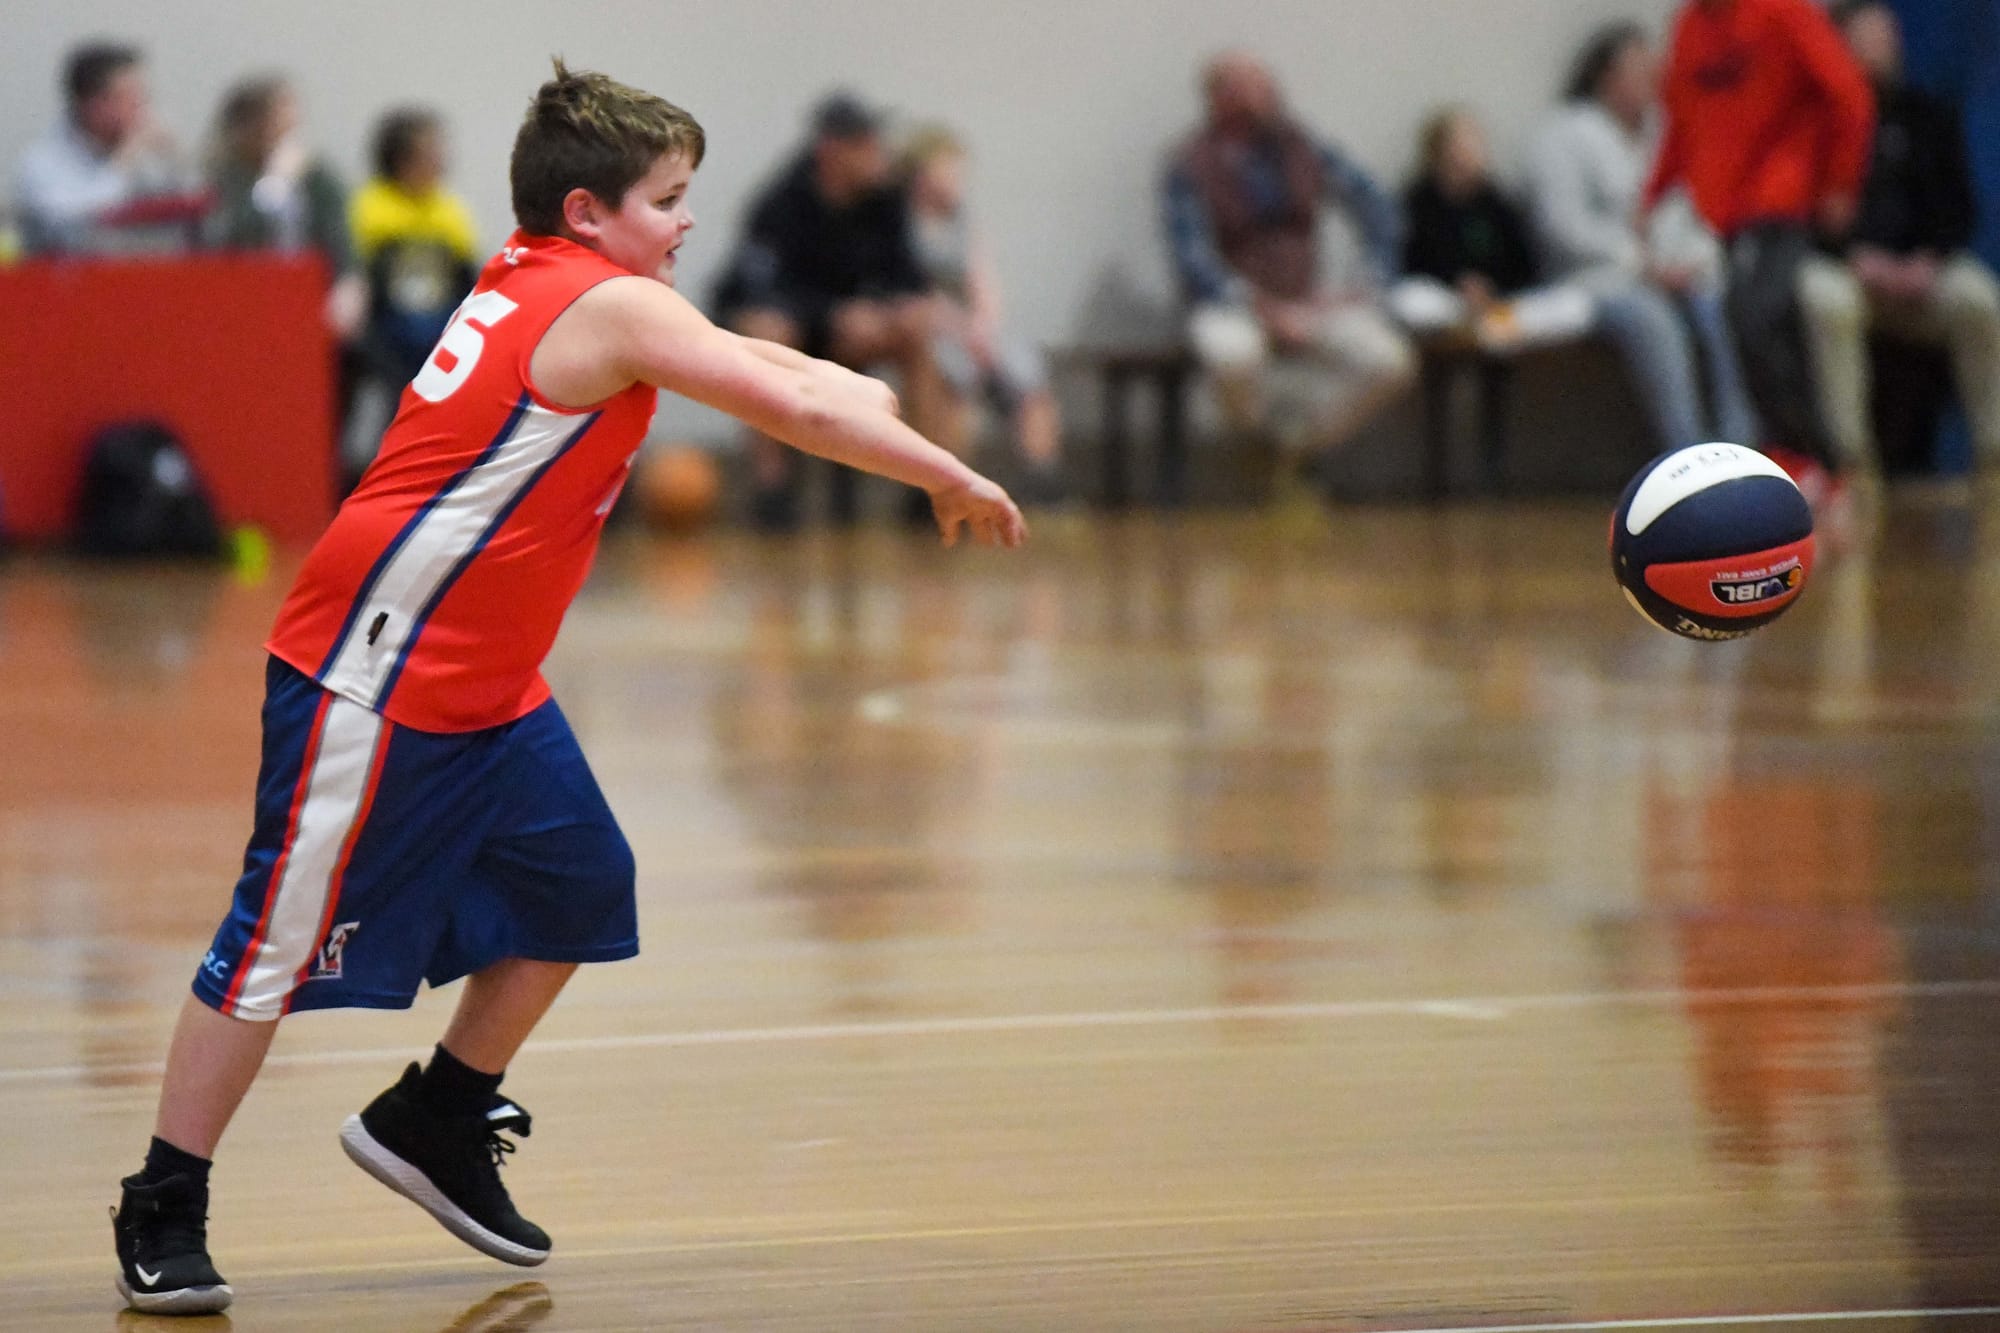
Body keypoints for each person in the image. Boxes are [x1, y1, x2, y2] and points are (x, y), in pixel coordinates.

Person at [107, 61, 1025, 1317]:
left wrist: (851, 392)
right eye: (667, 198)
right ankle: (163, 1200)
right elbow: (796, 395)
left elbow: (795, 377)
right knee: (266, 948)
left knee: (579, 887)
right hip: (372, 671)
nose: (688, 220)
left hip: (485, 681)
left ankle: (433, 1116)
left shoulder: (547, 276)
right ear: (589, 211)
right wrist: (944, 470)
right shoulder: (606, 307)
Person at [1641, 0, 1875, 511]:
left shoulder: (1783, 12)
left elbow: (1849, 94)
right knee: (1755, 325)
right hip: (1723, 212)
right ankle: (1800, 458)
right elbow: (1681, 123)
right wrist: (1653, 196)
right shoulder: (1689, 28)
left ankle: (1812, 457)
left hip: (1779, 201)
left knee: (1755, 316)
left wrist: (1839, 179)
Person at [1163, 52, 1415, 491]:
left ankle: (1298, 444)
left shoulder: (1307, 149)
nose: (1256, 101)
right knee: (1230, 355)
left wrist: (1363, 285)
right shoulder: (1191, 163)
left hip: (1309, 299)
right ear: (1216, 98)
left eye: (1262, 88)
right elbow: (1192, 258)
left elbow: (1379, 212)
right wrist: (1260, 307)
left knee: (1389, 360)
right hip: (1233, 304)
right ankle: (1261, 441)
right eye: (1241, 90)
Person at [1525, 22, 1758, 452]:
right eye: (1639, 70)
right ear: (1606, 77)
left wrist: (1688, 262)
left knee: (1719, 304)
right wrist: (1638, 263)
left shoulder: (1663, 136)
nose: (1654, 80)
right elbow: (1562, 227)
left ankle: (1739, 446)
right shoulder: (1563, 134)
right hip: (1593, 279)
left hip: (1666, 273)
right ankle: (1685, 452)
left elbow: (1689, 213)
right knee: (1654, 321)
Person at [713, 93, 941, 529]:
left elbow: (908, 278)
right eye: (865, 143)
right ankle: (772, 488)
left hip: (855, 331)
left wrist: (886, 312)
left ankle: (926, 484)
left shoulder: (886, 201)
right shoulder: (780, 204)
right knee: (765, 332)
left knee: (916, 331)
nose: (878, 153)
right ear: (832, 151)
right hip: (795, 328)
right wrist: (834, 314)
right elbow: (754, 289)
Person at [1798, 0, 2000, 480]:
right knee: (1827, 302)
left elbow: (1958, 207)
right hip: (1849, 270)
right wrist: (1855, 258)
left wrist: (1927, 262)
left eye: (1886, 36)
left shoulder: (1926, 113)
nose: (1881, 47)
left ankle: (1993, 453)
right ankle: (1852, 464)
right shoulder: (1816, 124)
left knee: (1978, 300)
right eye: (1867, 37)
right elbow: (1808, 217)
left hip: (1919, 275)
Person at [902, 125, 1066, 500]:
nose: (957, 180)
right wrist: (962, 331)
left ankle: (1041, 475)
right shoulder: (901, 225)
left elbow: (983, 280)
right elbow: (913, 293)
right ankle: (950, 484)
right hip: (935, 328)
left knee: (1026, 376)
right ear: (923, 174)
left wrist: (983, 327)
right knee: (953, 378)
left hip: (973, 329)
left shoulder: (962, 220)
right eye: (948, 170)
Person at [345, 107, 481, 483]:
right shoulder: (370, 208)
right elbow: (359, 282)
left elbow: (469, 282)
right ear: (401, 160)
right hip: (385, 333)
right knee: (393, 387)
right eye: (429, 153)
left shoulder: (450, 211)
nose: (441, 162)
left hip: (440, 332)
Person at [1391, 107, 1594, 353]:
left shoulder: (1496, 203)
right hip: (1446, 302)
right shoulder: (1418, 203)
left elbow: (1524, 264)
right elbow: (1410, 263)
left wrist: (1492, 288)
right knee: (1412, 302)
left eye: (1476, 143)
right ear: (1439, 152)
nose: (1472, 153)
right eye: (1462, 144)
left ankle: (1494, 338)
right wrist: (1457, 284)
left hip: (1496, 304)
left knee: (1572, 306)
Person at [205, 75, 366, 342]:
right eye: (276, 122)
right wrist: (274, 185)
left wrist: (348, 285)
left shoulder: (315, 175)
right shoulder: (226, 177)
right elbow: (229, 240)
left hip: (306, 296)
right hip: (243, 297)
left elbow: (340, 240)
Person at [12, 41, 206, 256]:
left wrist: (176, 158)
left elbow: (194, 204)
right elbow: (73, 226)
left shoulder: (146, 152)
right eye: (130, 96)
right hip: (67, 281)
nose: (140, 107)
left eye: (142, 96)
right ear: (94, 104)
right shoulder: (42, 162)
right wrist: (125, 160)